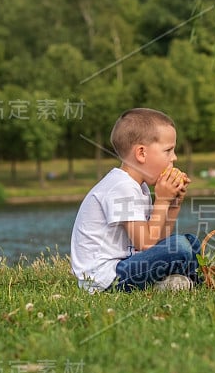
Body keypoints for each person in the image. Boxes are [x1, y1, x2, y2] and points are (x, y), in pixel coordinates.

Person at [70, 108, 199, 293]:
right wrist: (161, 201)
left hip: (126, 265)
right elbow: (145, 244)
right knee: (179, 246)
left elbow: (158, 240)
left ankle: (188, 281)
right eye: (168, 150)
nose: (175, 157)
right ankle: (189, 281)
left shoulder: (140, 187)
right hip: (105, 279)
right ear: (141, 153)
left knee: (189, 242)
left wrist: (173, 204)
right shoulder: (120, 186)